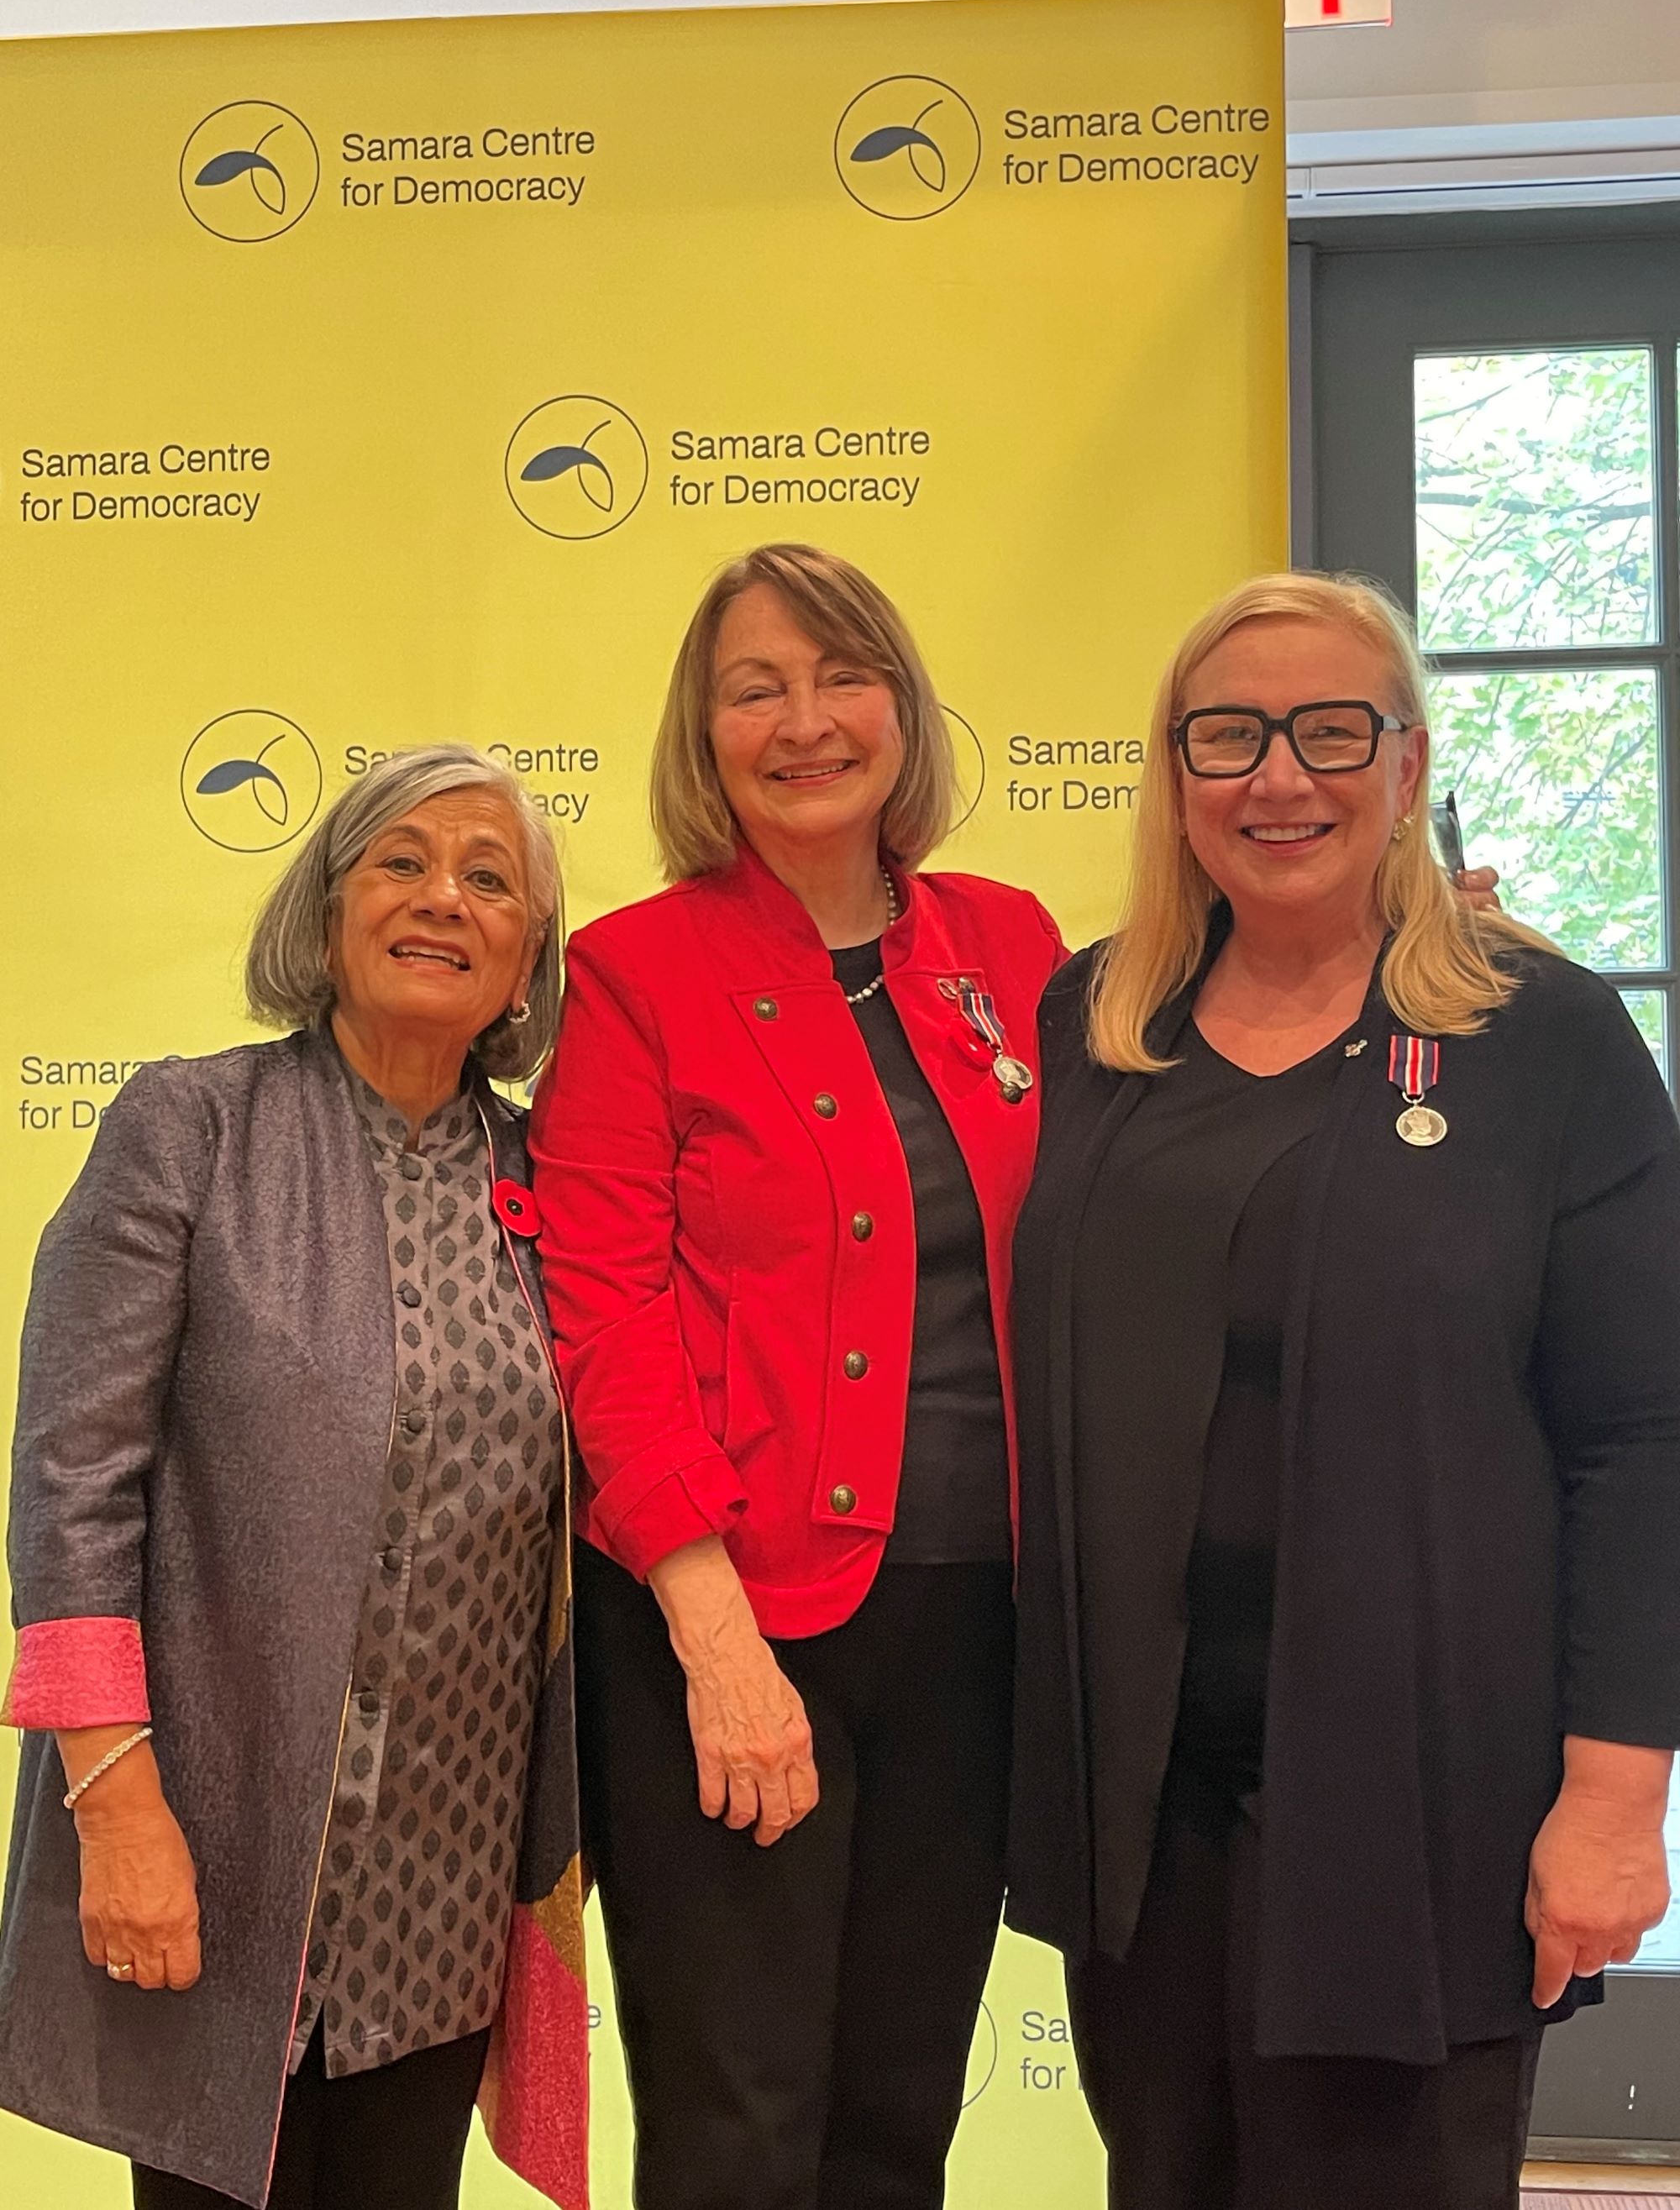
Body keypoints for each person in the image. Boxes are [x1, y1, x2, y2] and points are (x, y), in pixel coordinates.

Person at [1007, 570, 1680, 2210]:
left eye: (1328, 731)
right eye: (1226, 736)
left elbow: (1640, 1432)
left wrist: (1611, 1797)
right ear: (1174, 775)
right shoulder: (1099, 1021)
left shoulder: (1546, 1037)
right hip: (1146, 1806)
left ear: (1403, 762)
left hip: (1423, 1796)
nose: (1276, 778)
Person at [528, 542, 1064, 2209]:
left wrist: (1440, 971)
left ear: (902, 705)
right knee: (739, 2123)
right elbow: (599, 1318)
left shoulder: (1014, 941)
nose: (806, 720)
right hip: (728, 1623)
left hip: (977, 1620)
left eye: (842, 676)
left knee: (899, 2111)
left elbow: (1188, 1147)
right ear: (705, 731)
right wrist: (715, 1642)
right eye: (756, 687)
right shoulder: (632, 970)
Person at [0, 746, 586, 2210]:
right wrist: (116, 1808)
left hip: (442, 1899)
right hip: (208, 1857)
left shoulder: (560, 1186)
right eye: (399, 861)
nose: (441, 896)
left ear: (528, 961)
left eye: (488, 877)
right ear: (325, 915)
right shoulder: (188, 1128)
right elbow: (72, 1480)